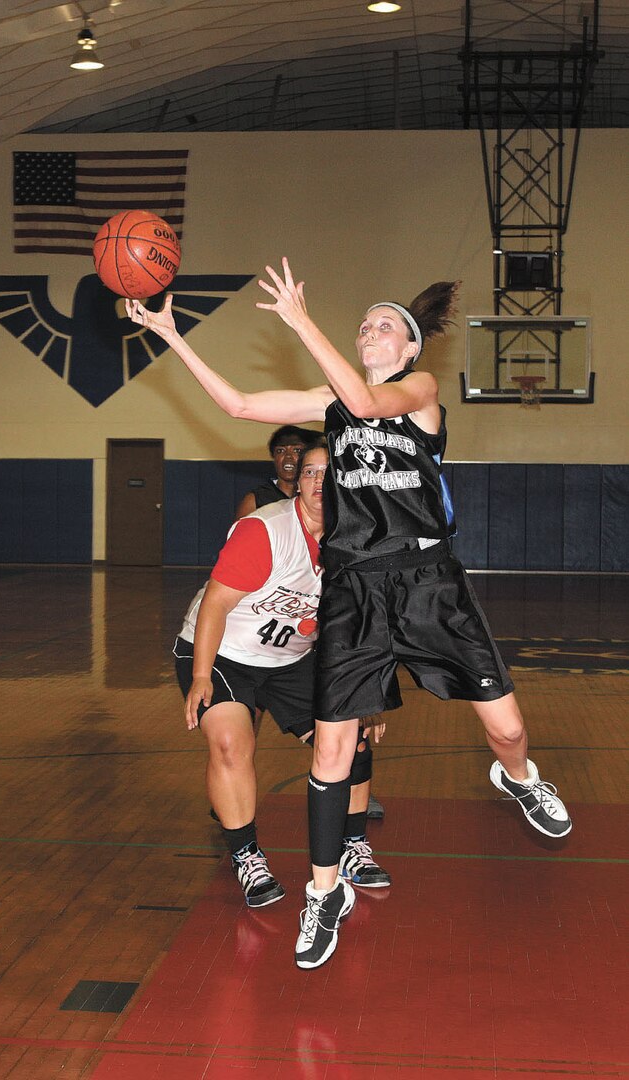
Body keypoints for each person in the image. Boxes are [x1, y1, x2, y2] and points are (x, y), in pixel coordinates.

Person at [127, 259, 571, 968]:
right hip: (355, 591)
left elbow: (366, 403)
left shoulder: (420, 393)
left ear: (407, 349)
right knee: (332, 752)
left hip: (429, 581)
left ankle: (519, 778)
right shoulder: (328, 405)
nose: (368, 330)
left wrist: (302, 320)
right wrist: (172, 336)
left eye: (382, 324)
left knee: (509, 728)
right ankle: (323, 891)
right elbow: (239, 405)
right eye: (361, 324)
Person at [174, 443, 390, 908]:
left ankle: (352, 846)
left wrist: (367, 691)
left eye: (327, 472)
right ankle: (247, 856)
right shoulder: (265, 530)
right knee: (232, 743)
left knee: (352, 741)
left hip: (292, 660)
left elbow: (365, 622)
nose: (316, 481)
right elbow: (214, 604)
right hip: (223, 651)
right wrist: (200, 676)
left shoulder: (358, 540)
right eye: (309, 472)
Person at [235, 425, 385, 819]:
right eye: (281, 451)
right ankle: (231, 798)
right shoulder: (261, 506)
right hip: (256, 635)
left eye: (297, 452)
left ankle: (349, 794)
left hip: (309, 638)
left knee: (347, 728)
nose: (289, 457)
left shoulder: (341, 516)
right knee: (239, 732)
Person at [235, 425, 322, 519]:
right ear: (274, 457)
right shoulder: (256, 500)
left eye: (296, 450)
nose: (288, 456)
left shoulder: (317, 495)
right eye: (280, 451)